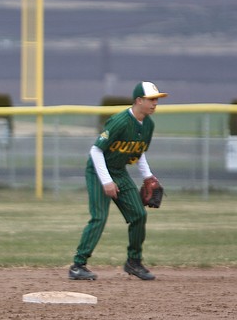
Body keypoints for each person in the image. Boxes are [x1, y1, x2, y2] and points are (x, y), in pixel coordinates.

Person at [69, 81, 168, 282]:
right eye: (151, 99)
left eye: (156, 99)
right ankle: (78, 265)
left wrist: (148, 176)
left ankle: (134, 262)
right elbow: (96, 151)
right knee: (99, 217)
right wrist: (106, 181)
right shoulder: (120, 121)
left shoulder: (148, 124)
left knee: (139, 215)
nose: (155, 103)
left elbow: (138, 153)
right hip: (99, 171)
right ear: (138, 101)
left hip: (119, 171)